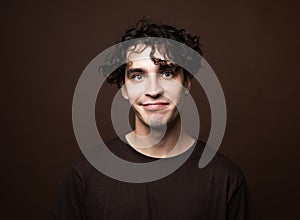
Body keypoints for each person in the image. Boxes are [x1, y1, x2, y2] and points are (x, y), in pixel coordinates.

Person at [50, 19, 258, 220]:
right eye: (138, 76)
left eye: (167, 73)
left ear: (187, 84)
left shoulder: (225, 178)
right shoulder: (87, 173)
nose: (153, 90)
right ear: (123, 88)